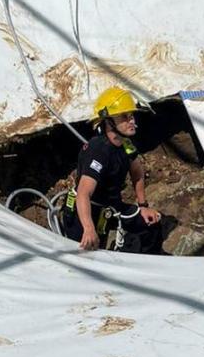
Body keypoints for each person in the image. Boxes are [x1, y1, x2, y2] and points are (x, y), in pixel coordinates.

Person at [62, 87, 164, 253]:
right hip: (84, 212)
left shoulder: (126, 145)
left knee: (151, 224)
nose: (132, 121)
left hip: (110, 207)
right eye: (124, 117)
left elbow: (137, 173)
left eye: (131, 116)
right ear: (108, 122)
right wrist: (88, 228)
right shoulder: (98, 150)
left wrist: (143, 205)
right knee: (89, 254)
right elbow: (83, 194)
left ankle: (144, 269)